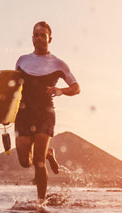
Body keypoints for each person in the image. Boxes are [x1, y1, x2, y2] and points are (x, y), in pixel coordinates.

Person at [15, 21, 80, 202]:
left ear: (49, 39)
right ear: (32, 38)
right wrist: (4, 112)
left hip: (45, 113)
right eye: (36, 35)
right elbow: (14, 88)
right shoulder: (22, 61)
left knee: (38, 161)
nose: (39, 38)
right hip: (24, 113)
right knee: (24, 161)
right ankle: (49, 153)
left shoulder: (58, 64)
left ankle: (41, 203)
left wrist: (60, 91)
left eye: (43, 35)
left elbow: (76, 88)